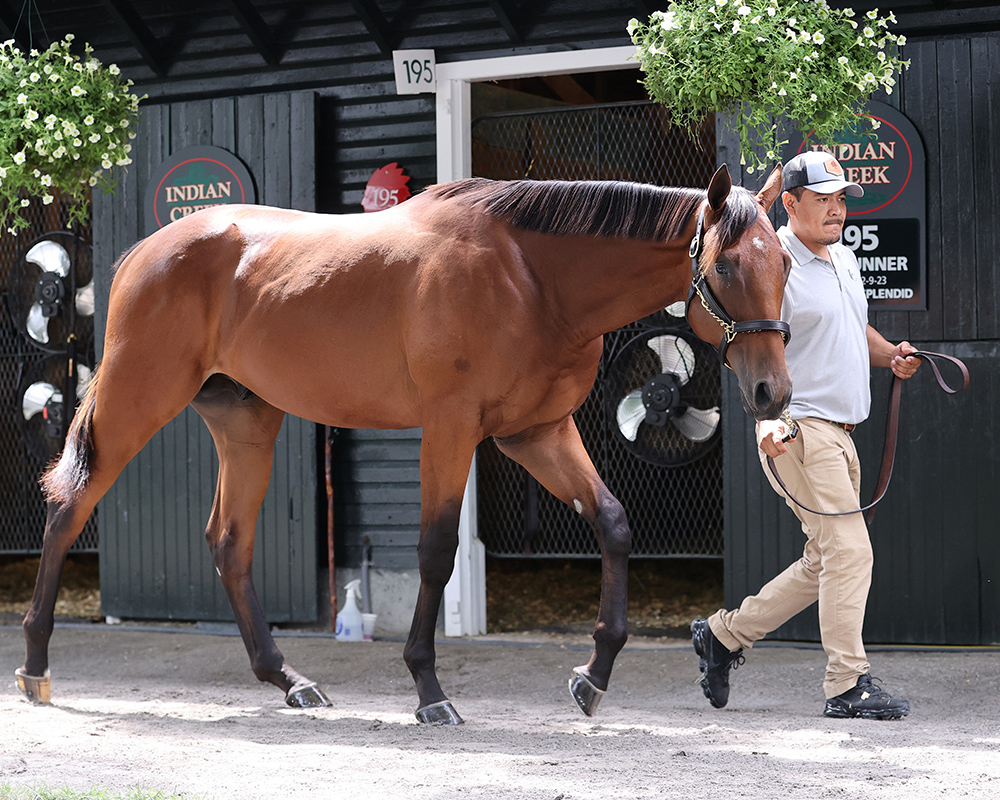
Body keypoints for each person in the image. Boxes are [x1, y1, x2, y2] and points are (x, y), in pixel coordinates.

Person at [692, 150, 921, 720]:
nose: (837, 211)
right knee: (850, 551)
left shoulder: (844, 259)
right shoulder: (775, 262)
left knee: (825, 561)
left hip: (843, 428)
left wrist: (889, 354)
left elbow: (850, 327)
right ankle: (847, 684)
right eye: (824, 201)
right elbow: (753, 341)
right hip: (799, 428)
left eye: (841, 200)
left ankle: (723, 636)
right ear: (789, 204)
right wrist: (767, 418)